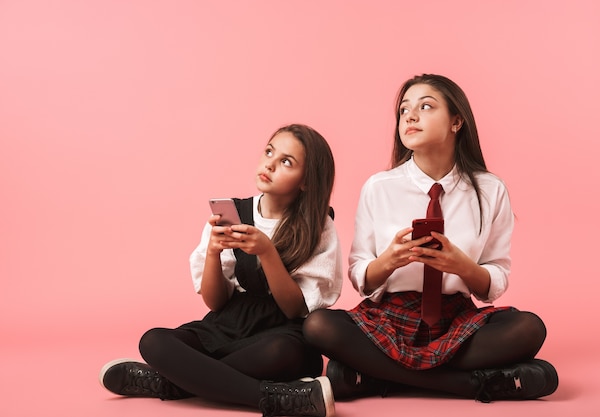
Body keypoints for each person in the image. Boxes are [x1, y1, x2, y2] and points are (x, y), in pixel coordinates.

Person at [303, 74, 558, 403]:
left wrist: (462, 266)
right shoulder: (378, 187)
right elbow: (360, 273)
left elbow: (495, 276)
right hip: (389, 317)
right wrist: (388, 261)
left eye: (425, 106)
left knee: (529, 328)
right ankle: (475, 385)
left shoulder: (491, 189)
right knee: (318, 325)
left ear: (456, 121)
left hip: (456, 318)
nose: (410, 116)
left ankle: (372, 376)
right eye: (404, 110)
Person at [100, 124, 342, 417]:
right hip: (229, 324)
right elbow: (215, 303)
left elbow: (294, 309)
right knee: (153, 340)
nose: (269, 164)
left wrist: (267, 252)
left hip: (280, 331)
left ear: (306, 181)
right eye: (269, 152)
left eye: (286, 162)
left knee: (282, 353)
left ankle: (169, 381)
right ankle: (276, 399)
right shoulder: (231, 214)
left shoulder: (318, 224)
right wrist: (213, 252)